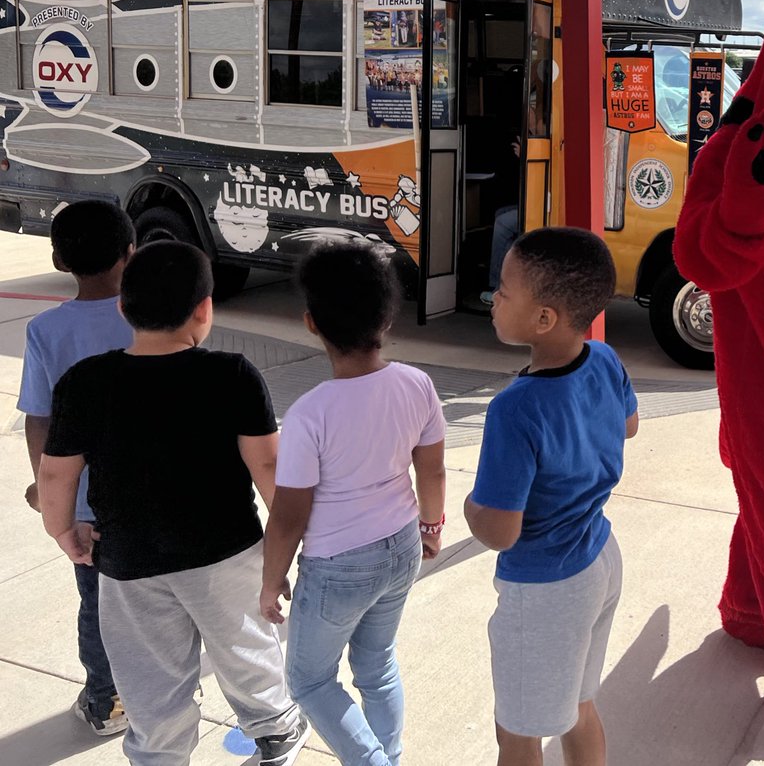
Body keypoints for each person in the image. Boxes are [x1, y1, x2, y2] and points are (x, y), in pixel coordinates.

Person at [37, 240, 310, 766]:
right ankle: (275, 730)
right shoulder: (232, 374)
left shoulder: (85, 382)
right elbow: (270, 469)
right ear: (205, 309)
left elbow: (56, 471)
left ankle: (160, 753)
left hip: (128, 561)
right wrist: (291, 538)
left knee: (147, 673)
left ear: (123, 307)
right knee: (244, 645)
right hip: (225, 552)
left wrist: (64, 530)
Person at [259, 242, 447, 766]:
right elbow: (430, 469)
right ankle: (388, 754)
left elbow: (289, 515)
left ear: (311, 323)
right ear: (387, 318)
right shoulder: (418, 385)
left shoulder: (309, 414)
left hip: (339, 564)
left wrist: (271, 582)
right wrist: (431, 526)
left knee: (309, 679)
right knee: (377, 664)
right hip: (403, 544)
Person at [465, 226, 639, 766]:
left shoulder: (516, 408)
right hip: (599, 561)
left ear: (544, 319)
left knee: (517, 736)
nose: (495, 297)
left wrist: (471, 507)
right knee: (579, 706)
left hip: (545, 591)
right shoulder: (604, 359)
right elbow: (629, 425)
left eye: (505, 289)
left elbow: (500, 531)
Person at [18, 200, 135, 736]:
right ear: (130, 253)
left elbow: (39, 421)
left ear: (59, 260)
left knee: (99, 605)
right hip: (157, 496)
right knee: (157, 598)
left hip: (87, 503)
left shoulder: (46, 330)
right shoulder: (151, 316)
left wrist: (50, 496)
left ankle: (107, 701)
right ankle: (164, 683)